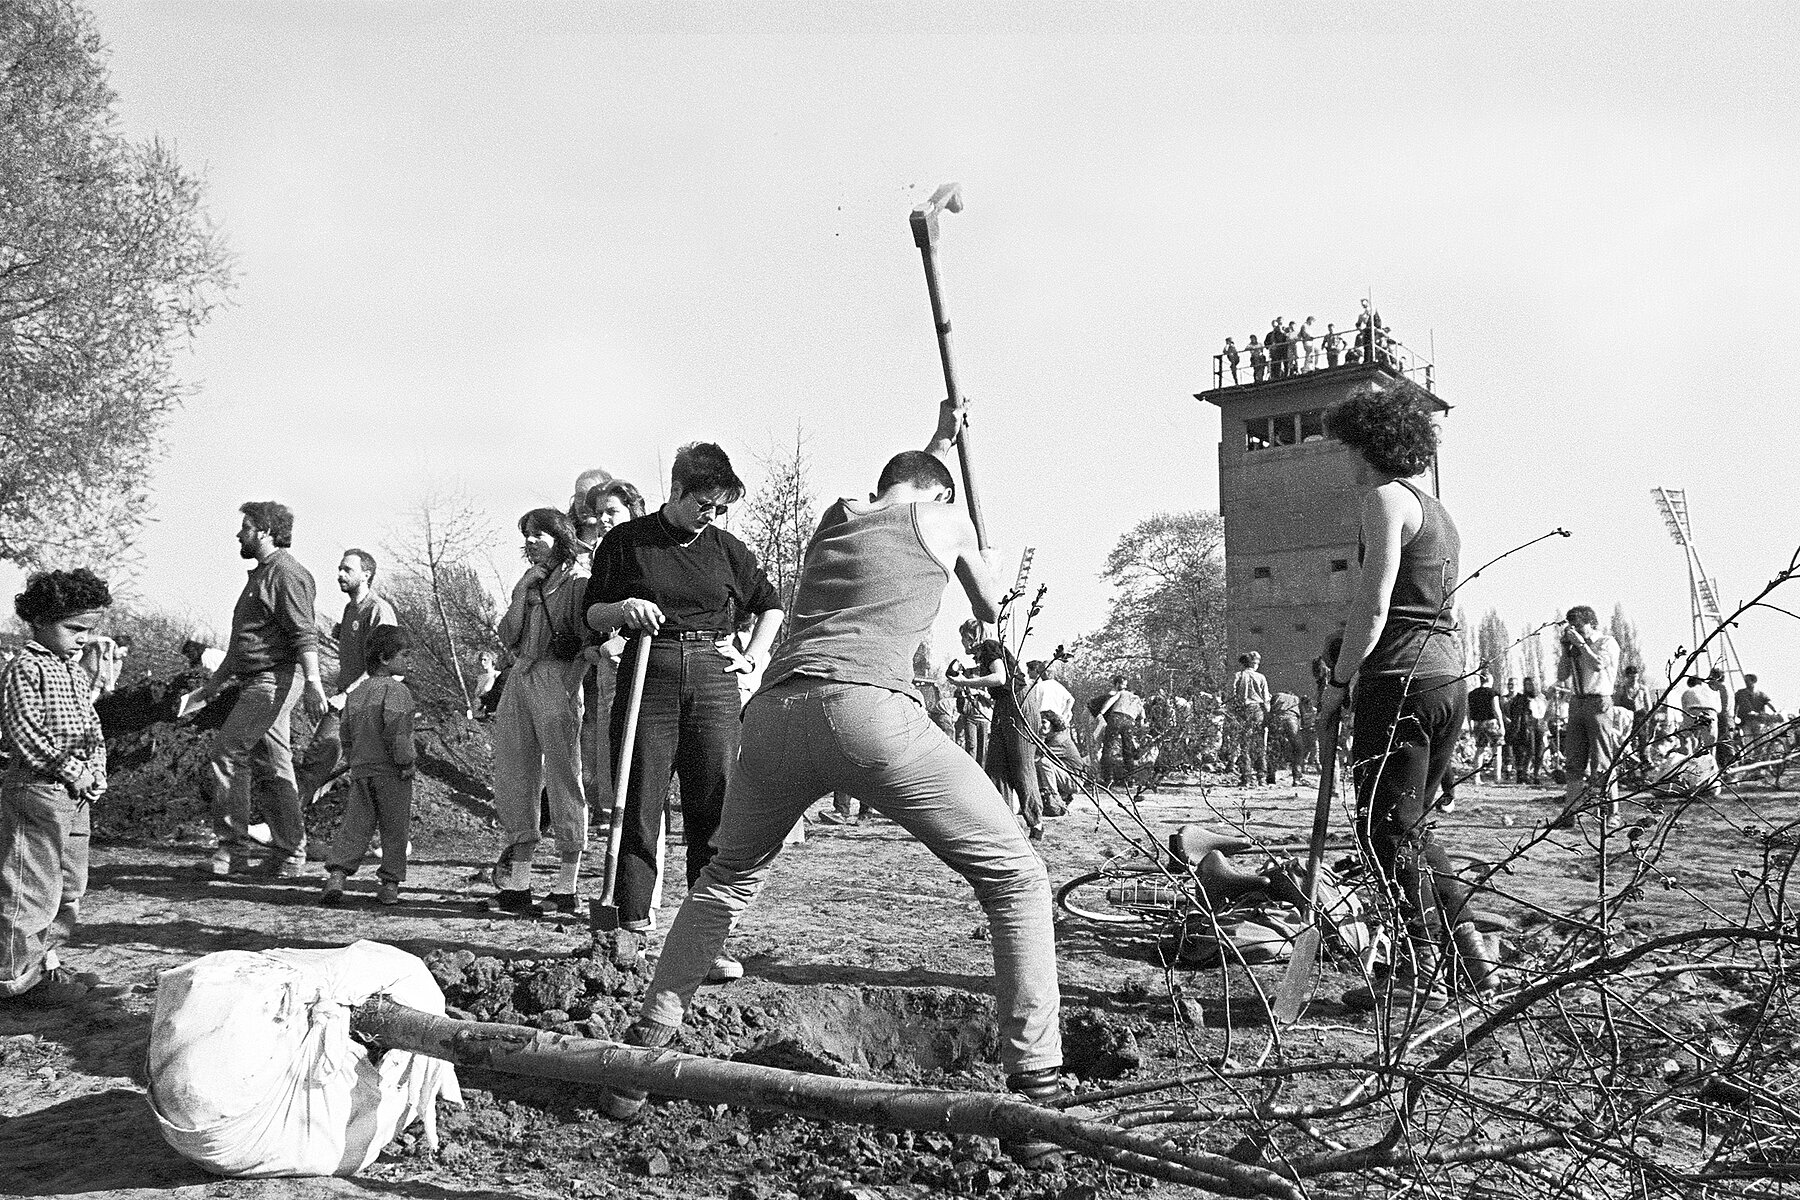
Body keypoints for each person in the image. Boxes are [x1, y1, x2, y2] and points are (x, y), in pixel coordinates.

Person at [598, 399, 1065, 1169]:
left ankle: (639, 1058)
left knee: (723, 881)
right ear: (943, 496)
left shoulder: (836, 518)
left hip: (776, 716)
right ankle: (1038, 1091)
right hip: (870, 711)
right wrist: (981, 573)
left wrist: (940, 440)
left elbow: (899, 493)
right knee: (1016, 876)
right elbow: (986, 607)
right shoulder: (948, 524)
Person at [1317, 385, 1494, 1009]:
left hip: (1399, 682)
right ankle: (1472, 956)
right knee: (1411, 826)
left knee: (1381, 831)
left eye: (1349, 447)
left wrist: (1340, 681)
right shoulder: (1439, 510)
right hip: (1448, 678)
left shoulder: (1383, 499)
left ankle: (1415, 975)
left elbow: (1375, 601)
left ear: (1369, 444)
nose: (1346, 460)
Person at [584, 442, 783, 952]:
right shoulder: (628, 542)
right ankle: (631, 926)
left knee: (713, 805)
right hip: (650, 674)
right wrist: (624, 607)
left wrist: (754, 659)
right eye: (704, 505)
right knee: (639, 797)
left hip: (714, 680)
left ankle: (704, 936)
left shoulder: (725, 549)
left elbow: (771, 607)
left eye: (720, 508)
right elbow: (591, 615)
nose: (711, 516)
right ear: (676, 490)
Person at [189, 502, 328, 878]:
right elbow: (240, 646)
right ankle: (291, 854)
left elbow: (304, 633)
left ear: (265, 530)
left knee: (228, 752)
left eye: (246, 527)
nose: (239, 534)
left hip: (273, 680)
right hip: (258, 679)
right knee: (272, 764)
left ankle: (232, 851)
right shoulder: (262, 576)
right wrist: (209, 689)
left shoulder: (286, 574)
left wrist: (314, 684)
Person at [0, 569, 113, 1006]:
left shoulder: (72, 671)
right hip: (38, 791)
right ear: (41, 620)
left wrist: (95, 771)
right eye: (74, 628)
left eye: (89, 629)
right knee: (31, 884)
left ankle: (45, 966)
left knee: (68, 885)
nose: (83, 638)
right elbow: (25, 733)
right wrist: (71, 769)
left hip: (75, 794)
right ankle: (13, 981)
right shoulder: (24, 668)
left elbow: (92, 727)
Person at [485, 509, 593, 916]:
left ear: (559, 538)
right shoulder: (531, 584)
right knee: (515, 774)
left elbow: (589, 637)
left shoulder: (578, 582)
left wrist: (571, 681)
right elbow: (507, 636)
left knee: (565, 776)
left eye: (538, 535)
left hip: (558, 678)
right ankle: (519, 884)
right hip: (520, 677)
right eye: (526, 535)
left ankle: (567, 887)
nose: (530, 542)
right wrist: (519, 593)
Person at [319, 625, 417, 907]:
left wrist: (354, 762)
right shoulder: (398, 692)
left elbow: (345, 734)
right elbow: (397, 733)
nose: (407, 661)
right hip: (391, 773)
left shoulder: (357, 693)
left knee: (354, 826)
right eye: (404, 655)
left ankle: (336, 877)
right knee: (394, 828)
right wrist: (406, 762)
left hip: (362, 771)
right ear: (386, 658)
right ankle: (389, 885)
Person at [296, 549, 398, 818]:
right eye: (339, 568)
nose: (340, 574)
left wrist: (348, 694)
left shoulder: (378, 610)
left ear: (366, 574)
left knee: (368, 775)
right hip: (348, 699)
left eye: (347, 570)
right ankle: (286, 828)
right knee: (318, 760)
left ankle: (391, 840)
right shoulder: (350, 609)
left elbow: (385, 665)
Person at [577, 480, 646, 826]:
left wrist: (619, 642)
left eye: (612, 512)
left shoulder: (646, 550)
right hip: (608, 665)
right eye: (599, 513)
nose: (603, 519)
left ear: (632, 510)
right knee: (608, 746)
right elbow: (595, 607)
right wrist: (595, 646)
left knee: (639, 757)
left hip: (642, 664)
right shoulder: (606, 553)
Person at [950, 618, 1045, 839]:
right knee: (996, 766)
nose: (963, 643)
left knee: (1021, 764)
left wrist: (964, 682)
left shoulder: (990, 646)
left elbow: (1000, 678)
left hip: (1018, 702)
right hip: (1004, 705)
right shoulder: (984, 654)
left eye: (963, 638)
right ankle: (1003, 822)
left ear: (972, 636)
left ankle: (1036, 822)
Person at [1553, 606, 1620, 824]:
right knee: (1573, 760)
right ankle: (1569, 813)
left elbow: (1598, 664)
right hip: (1577, 702)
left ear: (1591, 623)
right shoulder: (1574, 647)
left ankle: (1613, 812)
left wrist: (1581, 645)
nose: (1576, 630)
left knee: (1602, 760)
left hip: (1599, 701)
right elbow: (1562, 675)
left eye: (1579, 626)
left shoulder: (1606, 642)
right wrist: (1565, 650)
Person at [1228, 652, 1270, 788]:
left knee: (1245, 744)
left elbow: (1231, 694)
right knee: (1259, 744)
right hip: (1258, 710)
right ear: (1254, 663)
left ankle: (1246, 778)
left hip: (1244, 710)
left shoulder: (1238, 675)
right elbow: (1266, 699)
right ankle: (1261, 778)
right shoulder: (1261, 677)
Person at [1094, 675, 1143, 785]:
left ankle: (1108, 778)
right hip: (1129, 721)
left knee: (1108, 747)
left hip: (1116, 718)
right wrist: (1138, 730)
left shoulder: (1122, 693)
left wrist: (1100, 713)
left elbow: (1111, 701)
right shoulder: (1137, 699)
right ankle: (1130, 778)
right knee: (1128, 749)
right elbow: (1142, 717)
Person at [1466, 670, 1506, 786]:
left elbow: (1468, 712)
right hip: (1491, 723)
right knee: (1497, 750)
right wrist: (1501, 725)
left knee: (1480, 751)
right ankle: (1497, 777)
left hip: (1478, 724)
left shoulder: (1472, 694)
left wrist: (1470, 726)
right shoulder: (1492, 693)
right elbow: (1496, 710)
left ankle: (1476, 778)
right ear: (1490, 680)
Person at [1507, 677, 1547, 785]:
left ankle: (1536, 775)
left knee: (1540, 751)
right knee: (1530, 751)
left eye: (1531, 684)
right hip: (1528, 726)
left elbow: (1546, 711)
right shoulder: (1522, 699)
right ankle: (1524, 774)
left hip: (1541, 725)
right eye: (1526, 684)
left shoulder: (1541, 697)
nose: (1528, 686)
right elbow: (1517, 714)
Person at [77, 633, 130, 703]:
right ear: (116, 646)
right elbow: (81, 639)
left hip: (93, 694)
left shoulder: (118, 664)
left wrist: (109, 692)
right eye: (124, 651)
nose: (125, 655)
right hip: (78, 683)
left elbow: (109, 684)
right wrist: (103, 639)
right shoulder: (97, 647)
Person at [1267, 689, 1304, 786]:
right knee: (1298, 749)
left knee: (1273, 748)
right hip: (1292, 720)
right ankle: (1297, 778)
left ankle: (1271, 777)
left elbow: (1269, 708)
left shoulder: (1277, 695)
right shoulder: (1296, 699)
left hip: (1277, 718)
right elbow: (1301, 716)